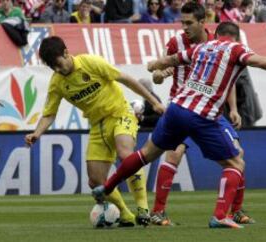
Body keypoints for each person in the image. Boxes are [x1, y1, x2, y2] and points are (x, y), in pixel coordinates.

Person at [92, 21, 266, 229]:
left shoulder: (201, 48)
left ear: (217, 35)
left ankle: (108, 186)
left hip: (176, 108)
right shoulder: (235, 49)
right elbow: (263, 61)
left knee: (145, 154)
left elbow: (172, 60)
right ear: (236, 38)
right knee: (235, 162)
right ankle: (221, 215)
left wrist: (154, 64)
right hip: (201, 115)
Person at [25, 36, 165, 227]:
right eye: (52, 67)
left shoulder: (91, 63)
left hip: (120, 113)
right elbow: (49, 114)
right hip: (97, 126)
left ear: (66, 53)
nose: (57, 70)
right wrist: (37, 133)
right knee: (95, 181)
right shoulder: (57, 83)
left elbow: (126, 79)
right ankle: (125, 214)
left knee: (126, 154)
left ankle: (143, 209)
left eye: (57, 64)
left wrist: (155, 102)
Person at [149, 2, 253, 227]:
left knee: (238, 153)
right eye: (183, 22)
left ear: (201, 23)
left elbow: (229, 79)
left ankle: (235, 211)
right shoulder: (175, 43)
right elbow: (162, 69)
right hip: (183, 104)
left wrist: (233, 109)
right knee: (174, 154)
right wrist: (159, 75)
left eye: (189, 22)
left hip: (210, 109)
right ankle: (158, 212)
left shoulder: (215, 44)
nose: (186, 27)